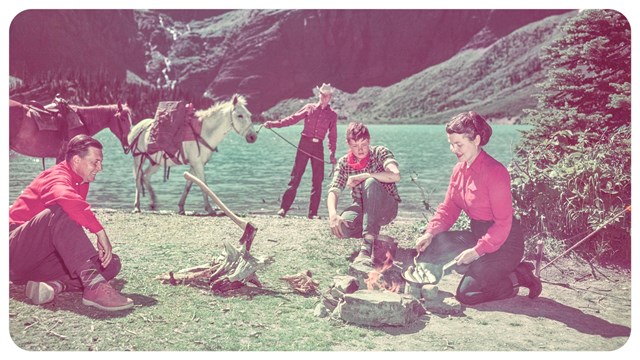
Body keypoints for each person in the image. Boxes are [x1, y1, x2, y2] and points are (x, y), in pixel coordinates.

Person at [414, 111, 542, 305]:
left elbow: (503, 223)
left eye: (459, 144)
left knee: (467, 295)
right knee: (432, 245)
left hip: (505, 243)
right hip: (478, 234)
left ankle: (519, 276)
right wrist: (430, 233)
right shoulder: (459, 170)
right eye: (451, 143)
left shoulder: (496, 172)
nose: (453, 149)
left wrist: (476, 252)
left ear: (476, 140)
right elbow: (449, 208)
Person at [9, 134, 134, 311]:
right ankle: (94, 289)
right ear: (76, 160)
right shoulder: (56, 176)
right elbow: (64, 199)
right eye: (95, 162)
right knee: (61, 209)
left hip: (36, 264)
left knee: (110, 263)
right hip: (12, 251)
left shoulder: (80, 181)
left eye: (101, 162)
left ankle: (54, 286)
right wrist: (99, 231)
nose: (100, 168)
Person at [327, 121, 401, 263]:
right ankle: (376, 235)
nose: (360, 150)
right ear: (348, 144)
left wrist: (366, 175)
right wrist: (333, 215)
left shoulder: (380, 152)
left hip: (387, 208)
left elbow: (396, 175)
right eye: (355, 146)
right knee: (342, 227)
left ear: (369, 141)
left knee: (370, 182)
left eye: (364, 144)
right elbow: (334, 190)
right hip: (362, 208)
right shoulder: (344, 163)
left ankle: (366, 247)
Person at [264, 83, 338, 219]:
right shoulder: (309, 108)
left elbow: (332, 136)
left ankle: (313, 214)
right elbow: (292, 119)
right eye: (322, 94)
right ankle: (283, 209)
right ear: (319, 94)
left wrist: (332, 153)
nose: (324, 97)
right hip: (304, 144)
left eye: (327, 95)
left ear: (330, 97)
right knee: (296, 177)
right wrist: (273, 124)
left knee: (317, 180)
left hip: (318, 147)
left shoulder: (332, 115)